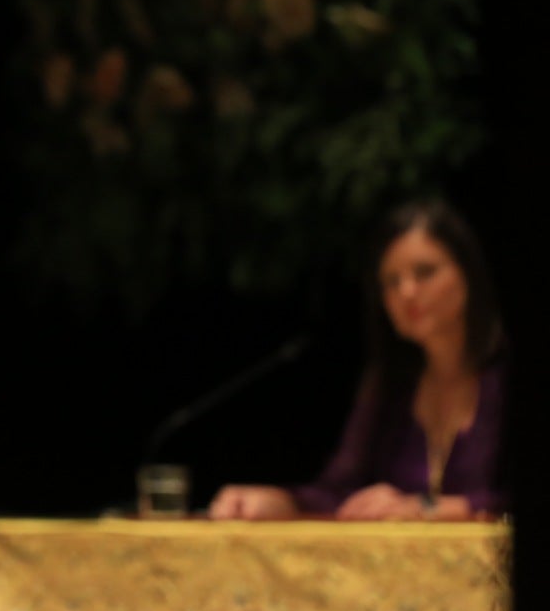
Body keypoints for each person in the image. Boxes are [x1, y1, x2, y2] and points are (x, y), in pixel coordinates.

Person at [209, 198, 508, 521]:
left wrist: (435, 508)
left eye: (425, 272)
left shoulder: (507, 375)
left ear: (469, 275)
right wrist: (279, 501)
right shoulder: (393, 382)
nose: (406, 292)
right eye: (391, 281)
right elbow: (339, 492)